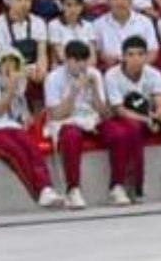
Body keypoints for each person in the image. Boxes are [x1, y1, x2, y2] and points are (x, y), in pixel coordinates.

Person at [0, 48, 64, 208]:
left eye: (14, 64)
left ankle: (47, 188)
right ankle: (39, 193)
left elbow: (21, 114)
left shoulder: (16, 85)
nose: (10, 68)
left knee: (33, 150)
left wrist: (19, 88)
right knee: (16, 153)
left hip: (10, 126)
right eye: (6, 63)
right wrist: (12, 88)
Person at [103, 36, 161, 202]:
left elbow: (159, 102)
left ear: (146, 56)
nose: (136, 58)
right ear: (123, 56)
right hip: (124, 118)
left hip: (148, 114)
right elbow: (119, 110)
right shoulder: (111, 75)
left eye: (140, 54)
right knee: (134, 129)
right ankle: (137, 184)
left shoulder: (154, 74)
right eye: (131, 54)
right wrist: (146, 119)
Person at [43, 41, 113, 210]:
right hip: (66, 122)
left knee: (118, 133)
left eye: (84, 60)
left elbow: (104, 113)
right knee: (71, 136)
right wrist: (74, 92)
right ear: (66, 60)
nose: (81, 65)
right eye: (76, 61)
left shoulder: (94, 74)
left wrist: (95, 88)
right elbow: (56, 114)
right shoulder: (53, 78)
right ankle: (73, 189)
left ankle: (117, 186)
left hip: (91, 120)